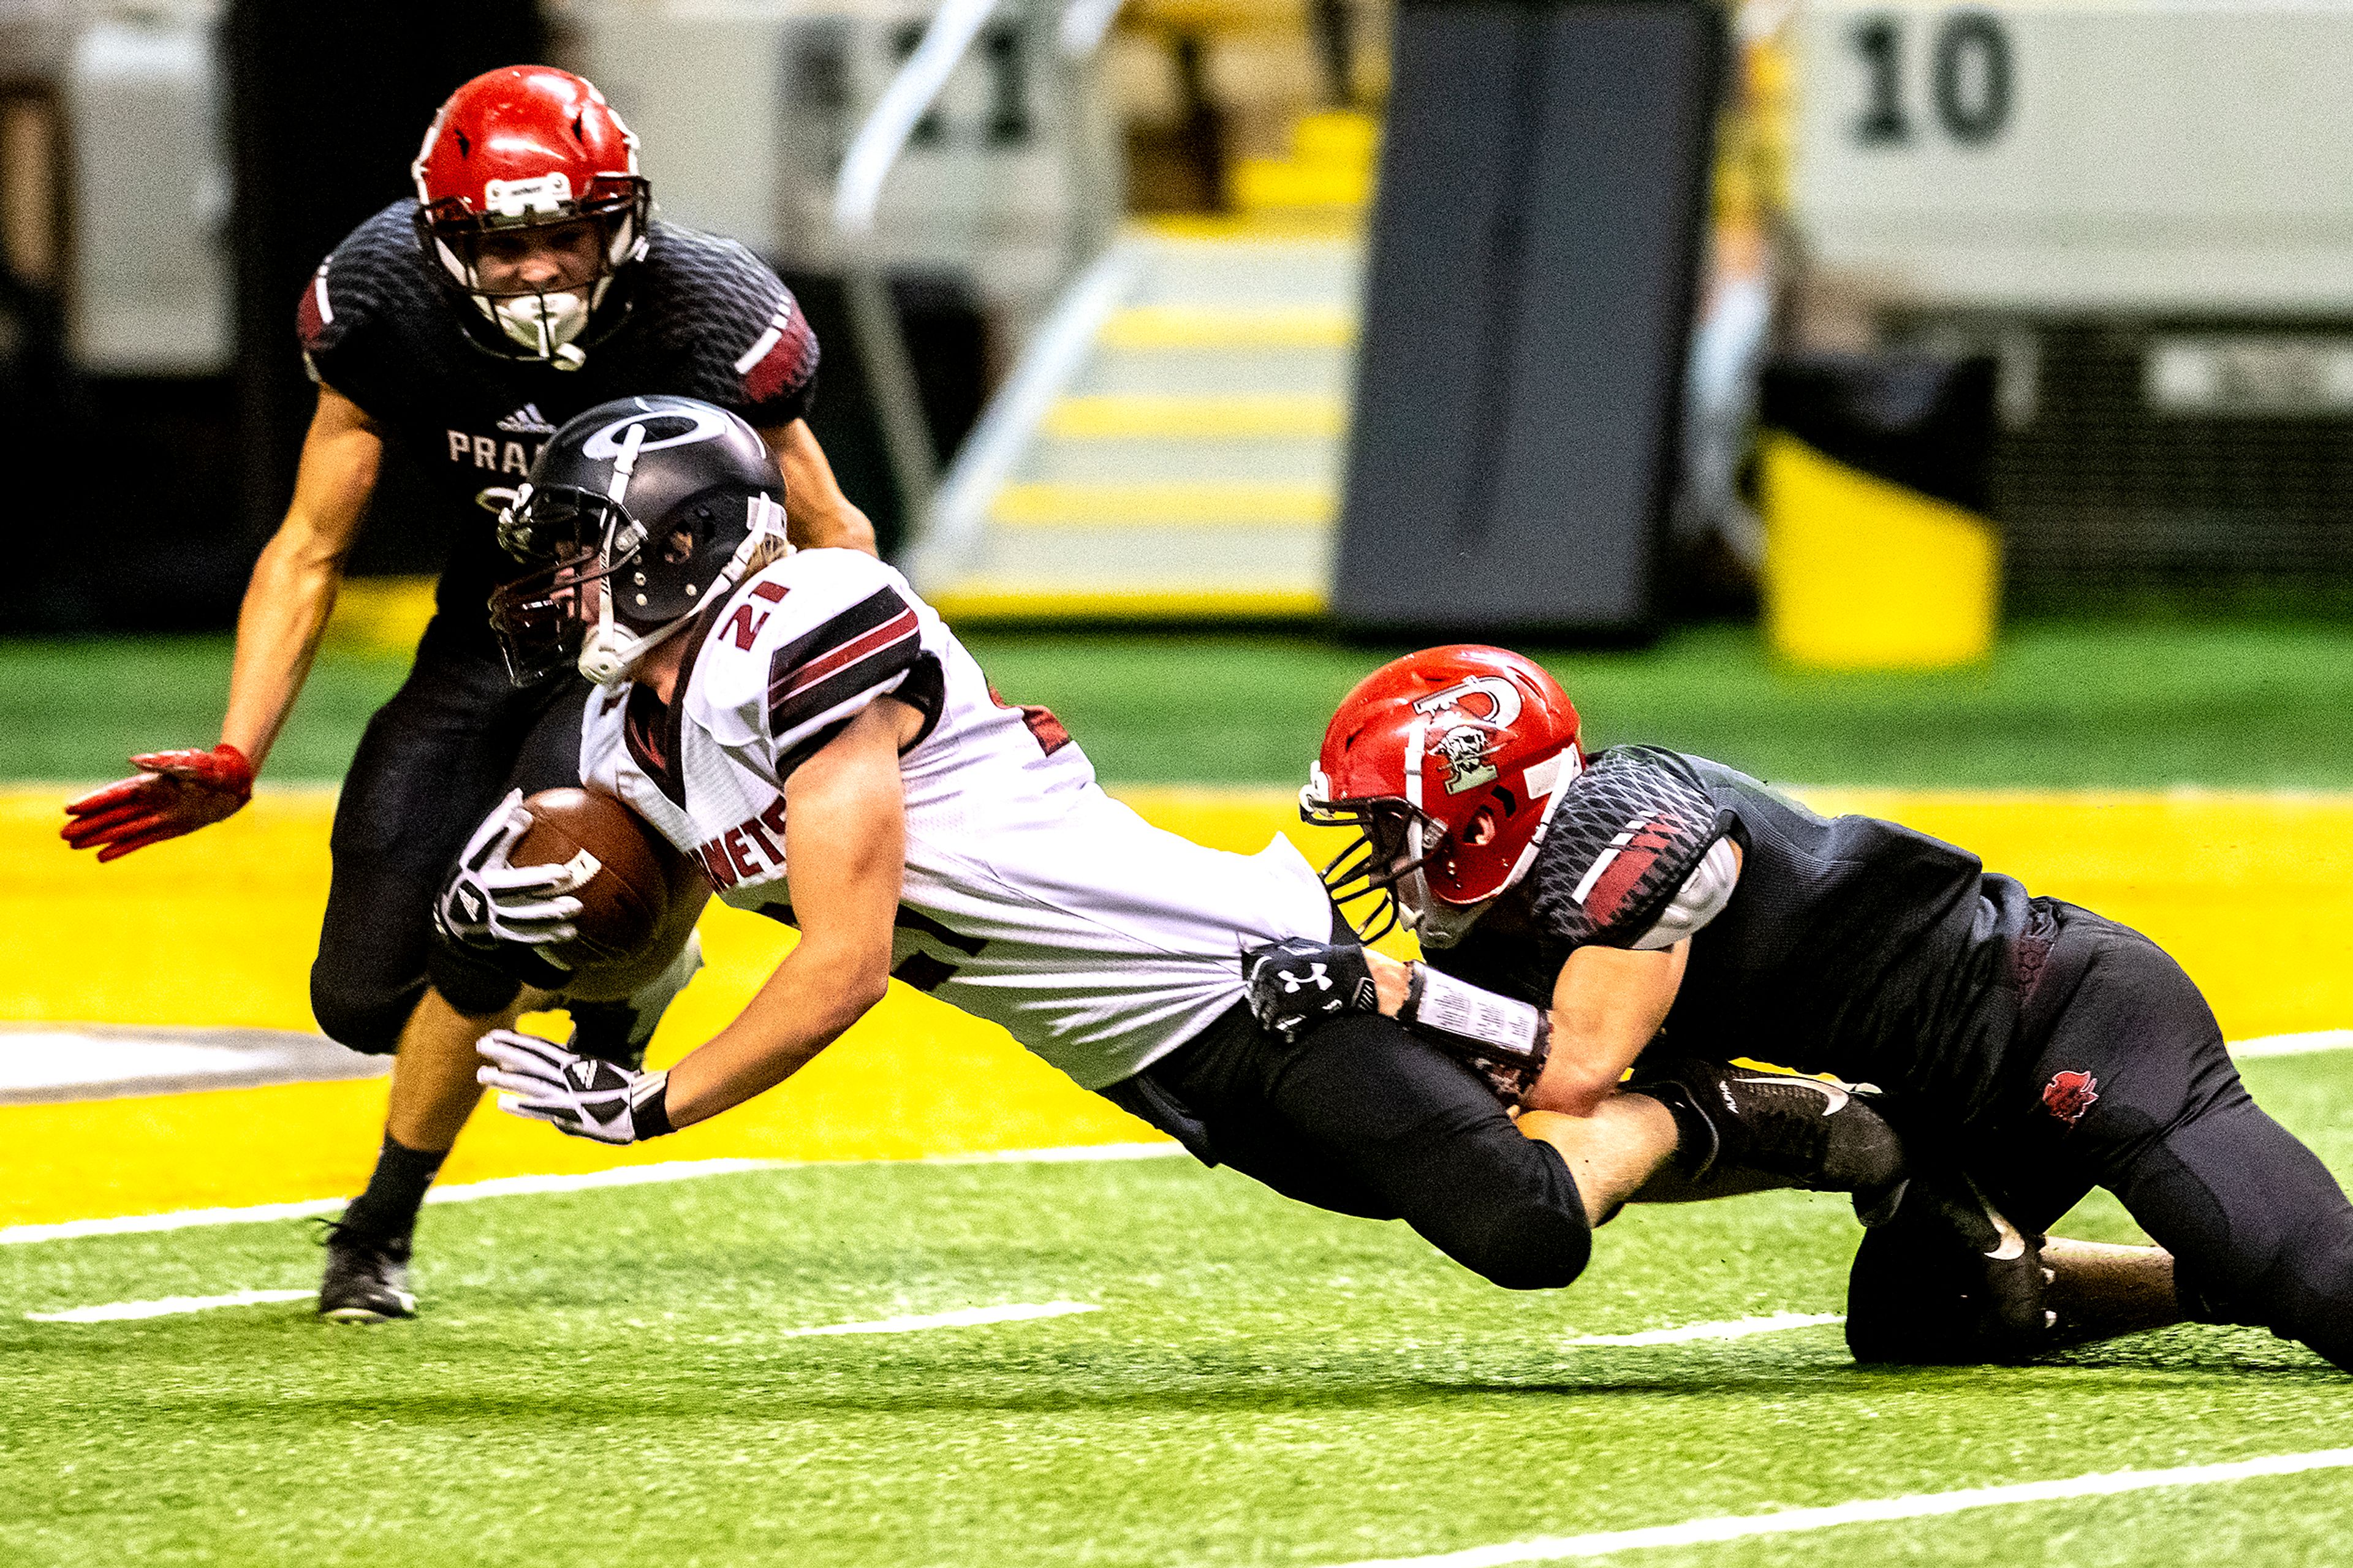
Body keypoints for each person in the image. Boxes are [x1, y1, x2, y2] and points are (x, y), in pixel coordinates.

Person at [443, 395, 1906, 1314]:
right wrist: (586, 990)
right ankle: (1825, 1132)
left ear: (686, 546)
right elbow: (666, 910)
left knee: (1524, 1218)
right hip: (1143, 1053)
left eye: (580, 542)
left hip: (1241, 975)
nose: (553, 578)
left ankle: (1814, 1110)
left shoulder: (806, 620)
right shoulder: (637, 731)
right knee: (1493, 1157)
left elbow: (844, 961)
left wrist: (660, 1107)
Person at [58, 66, 877, 1324]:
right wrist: (238, 747)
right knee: (359, 997)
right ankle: (632, 972)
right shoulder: (382, 300)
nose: (543, 268)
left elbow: (834, 529)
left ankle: (376, 1228)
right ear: (448, 244)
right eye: (508, 244)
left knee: (513, 902)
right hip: (491, 633)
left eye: (565, 234)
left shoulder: (708, 308)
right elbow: (309, 547)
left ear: (621, 220)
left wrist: (832, 711)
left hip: (657, 653)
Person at [1251, 645, 2353, 1370]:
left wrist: (1395, 993)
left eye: (1398, 826)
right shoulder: (1511, 942)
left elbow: (1579, 1068)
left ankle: (2255, 1262)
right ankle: (2206, 1279)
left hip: (2064, 1018)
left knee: (2322, 1280)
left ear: (1483, 805)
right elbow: (1571, 1135)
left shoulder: (1625, 823)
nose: (1385, 859)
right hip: (1942, 1094)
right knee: (1922, 1321)